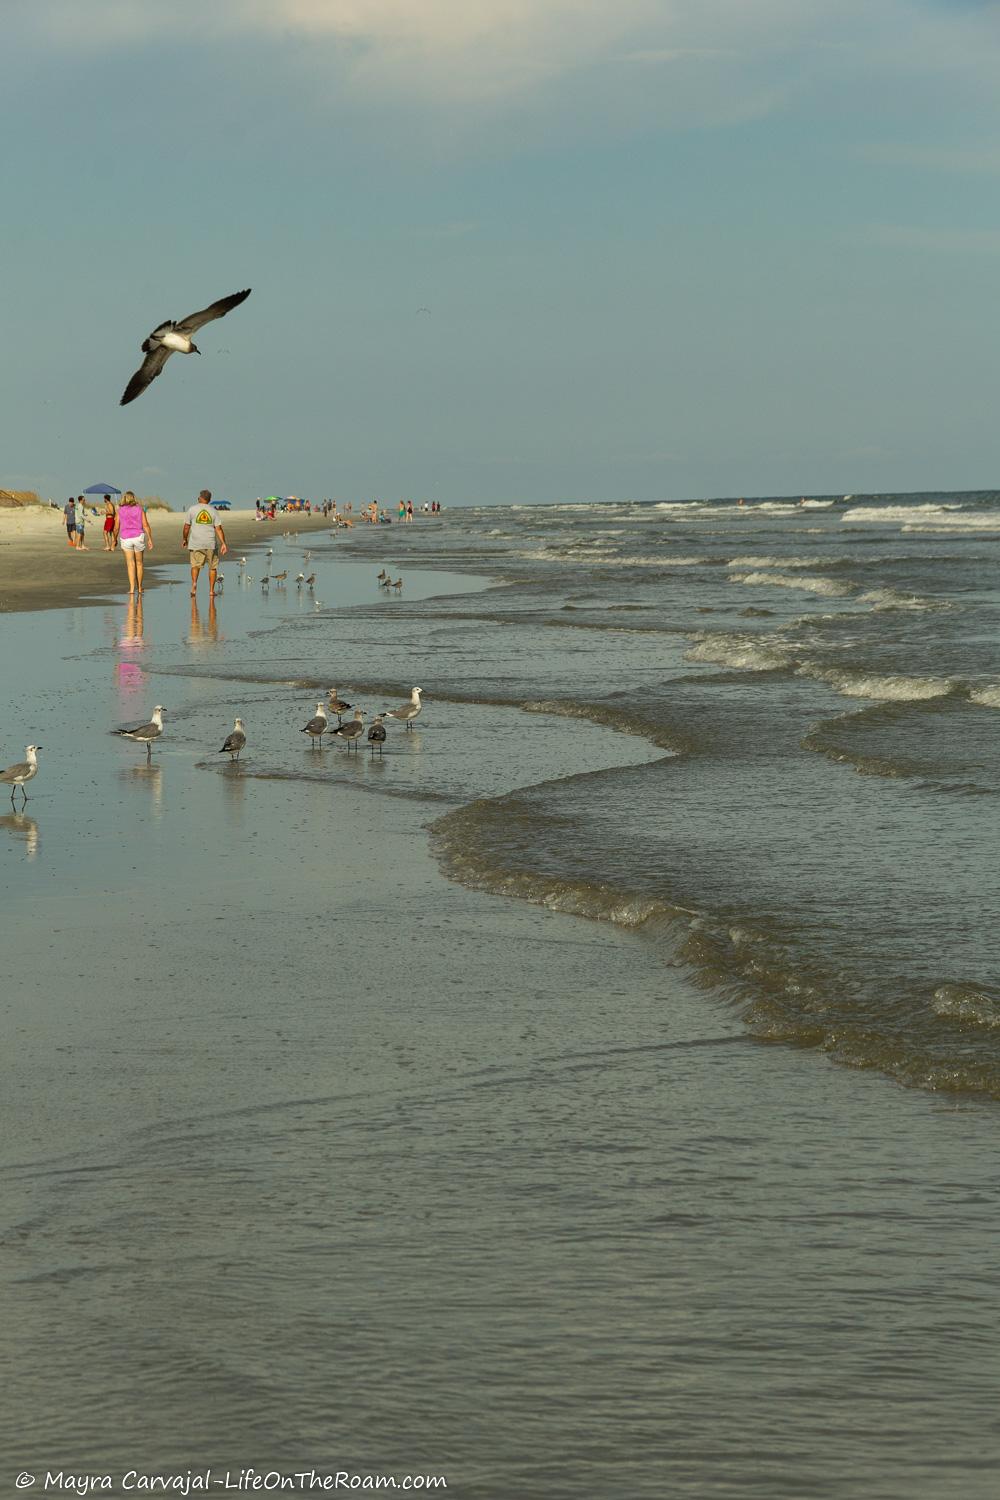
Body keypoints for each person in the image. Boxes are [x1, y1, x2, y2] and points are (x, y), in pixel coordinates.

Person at [182, 489, 228, 597]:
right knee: (212, 567)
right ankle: (211, 591)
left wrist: (185, 539)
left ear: (200, 498)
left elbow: (186, 527)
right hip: (210, 543)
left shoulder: (192, 509)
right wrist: (223, 543)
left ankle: (194, 584)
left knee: (195, 566)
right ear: (209, 500)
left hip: (196, 542)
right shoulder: (213, 511)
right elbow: (219, 529)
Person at [114, 491, 154, 595]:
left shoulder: (120, 510)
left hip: (126, 538)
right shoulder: (139, 509)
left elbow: (116, 527)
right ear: (133, 498)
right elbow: (145, 525)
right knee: (139, 563)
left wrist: (114, 539)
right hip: (138, 537)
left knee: (130, 564)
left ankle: (132, 589)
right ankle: (140, 588)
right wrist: (150, 539)